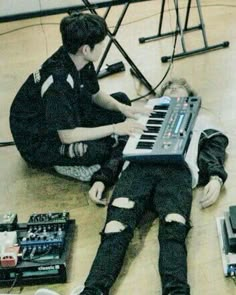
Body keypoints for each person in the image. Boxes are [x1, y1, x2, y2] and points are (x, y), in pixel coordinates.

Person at [35, 78, 229, 295]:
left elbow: (215, 150)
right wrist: (102, 178)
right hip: (137, 168)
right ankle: (92, 291)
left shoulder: (202, 120)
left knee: (174, 227)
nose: (173, 89)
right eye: (168, 88)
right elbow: (119, 151)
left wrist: (216, 178)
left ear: (190, 97)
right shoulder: (143, 115)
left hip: (177, 170)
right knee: (115, 227)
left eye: (179, 88)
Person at [9, 12, 148, 183]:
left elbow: (95, 95)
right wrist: (115, 128)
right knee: (98, 151)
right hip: (39, 141)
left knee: (121, 99)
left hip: (64, 117)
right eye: (100, 44)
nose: (103, 46)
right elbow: (67, 136)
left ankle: (110, 139)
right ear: (86, 49)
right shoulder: (58, 82)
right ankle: (62, 164)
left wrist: (123, 108)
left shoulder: (80, 59)